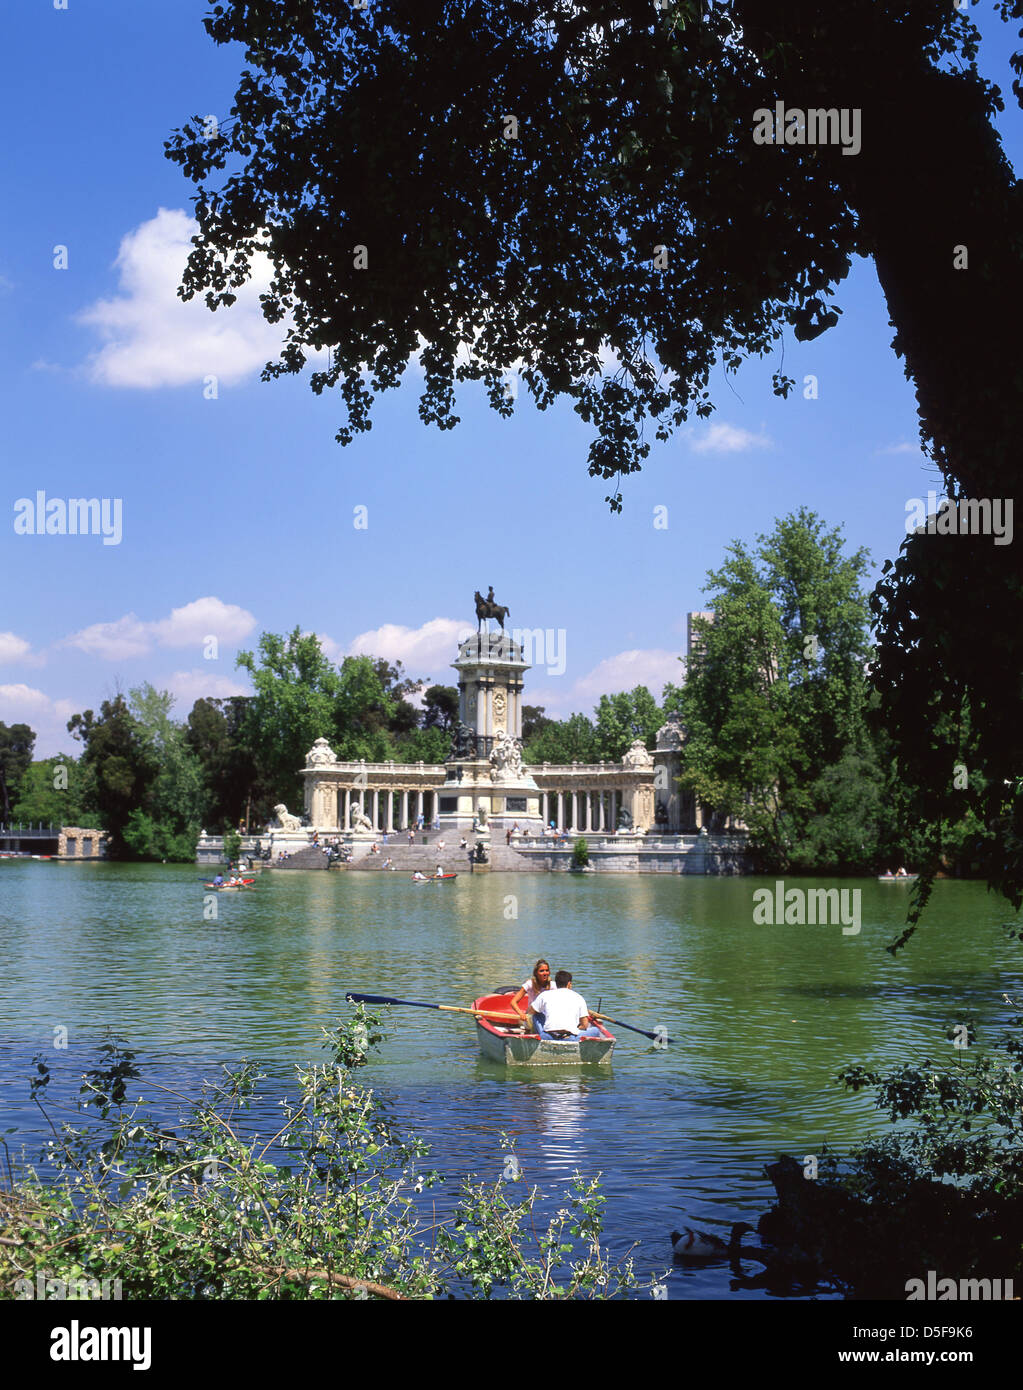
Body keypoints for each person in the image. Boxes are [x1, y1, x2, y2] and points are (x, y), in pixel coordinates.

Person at [528, 970, 603, 1039]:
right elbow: (584, 1025)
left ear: (556, 984)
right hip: (570, 1038)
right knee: (596, 1030)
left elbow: (531, 1011)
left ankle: (540, 1037)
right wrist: (575, 1028)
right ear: (569, 984)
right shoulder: (579, 997)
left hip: (547, 1036)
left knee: (536, 1015)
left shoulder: (544, 995)